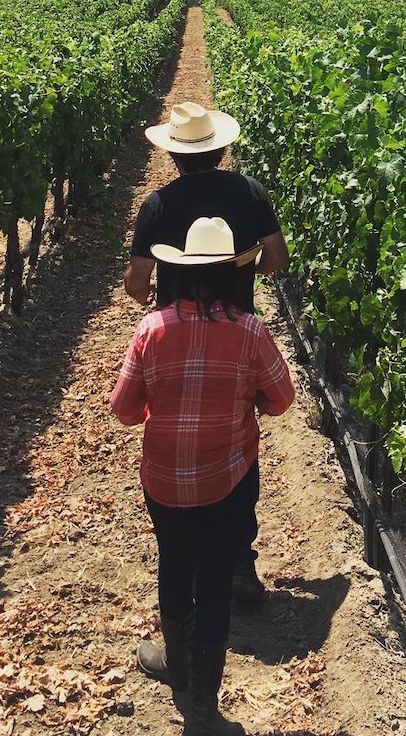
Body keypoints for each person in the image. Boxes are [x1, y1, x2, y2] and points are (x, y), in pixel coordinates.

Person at [111, 216, 295, 736]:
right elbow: (282, 399)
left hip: (164, 480)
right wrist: (245, 401)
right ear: (231, 275)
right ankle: (203, 712)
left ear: (180, 274)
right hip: (227, 480)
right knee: (214, 581)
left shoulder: (151, 330)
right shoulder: (249, 332)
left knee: (174, 564)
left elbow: (124, 410)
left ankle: (177, 667)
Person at [124, 101, 289, 604]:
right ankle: (238, 562)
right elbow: (277, 261)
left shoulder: (156, 205)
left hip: (173, 336)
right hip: (235, 338)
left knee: (177, 437)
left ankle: (188, 569)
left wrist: (155, 297)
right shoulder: (250, 192)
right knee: (236, 442)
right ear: (220, 148)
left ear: (172, 155)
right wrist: (241, 271)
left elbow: (135, 285)